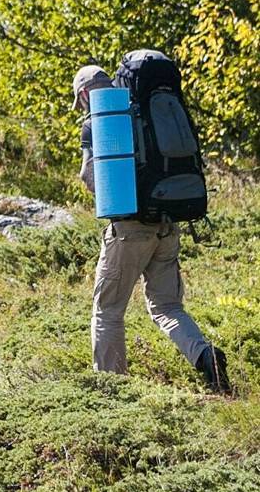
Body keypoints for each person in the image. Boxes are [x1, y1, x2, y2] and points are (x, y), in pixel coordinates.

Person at [73, 63, 231, 393]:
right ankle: (206, 358)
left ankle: (113, 392)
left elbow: (90, 179)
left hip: (129, 230)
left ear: (86, 93)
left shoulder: (103, 120)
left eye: (80, 100)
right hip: (167, 224)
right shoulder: (148, 112)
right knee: (168, 306)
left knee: (108, 312)